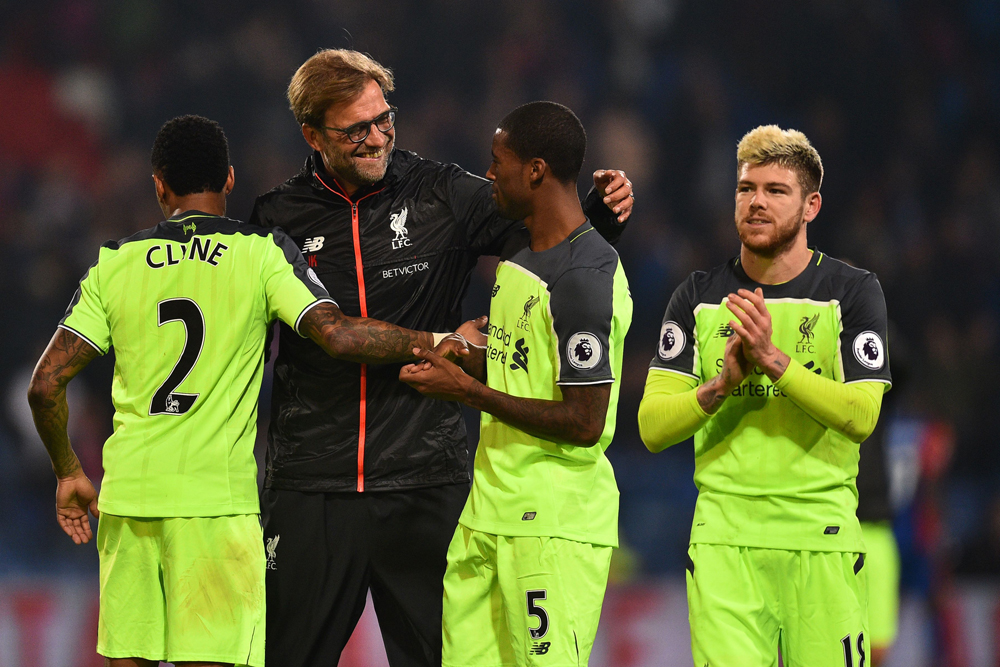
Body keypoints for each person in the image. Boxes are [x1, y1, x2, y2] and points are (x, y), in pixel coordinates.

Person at [25, 115, 464, 667]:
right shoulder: (262, 252)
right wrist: (437, 339)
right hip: (216, 506)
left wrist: (68, 471)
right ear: (229, 179)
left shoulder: (116, 262)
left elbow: (45, 385)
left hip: (130, 499)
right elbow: (338, 335)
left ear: (159, 185)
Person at [248, 49, 634, 667]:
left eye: (384, 119)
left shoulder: (442, 192)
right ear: (312, 135)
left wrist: (599, 215)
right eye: (355, 130)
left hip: (426, 480)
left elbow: (549, 237)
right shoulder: (276, 217)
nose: (378, 138)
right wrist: (438, 341)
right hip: (312, 484)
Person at [637, 125, 892, 667]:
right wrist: (720, 387)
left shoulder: (851, 292)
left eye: (776, 190)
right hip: (724, 543)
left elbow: (862, 415)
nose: (756, 202)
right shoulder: (698, 297)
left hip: (821, 536)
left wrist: (774, 360)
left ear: (810, 206)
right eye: (746, 188)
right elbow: (652, 427)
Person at [400, 101, 632, 667]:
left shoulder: (585, 277)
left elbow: (584, 421)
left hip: (551, 524)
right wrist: (470, 359)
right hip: (487, 512)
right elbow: (522, 369)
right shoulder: (519, 258)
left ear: (535, 170)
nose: (489, 173)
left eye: (497, 161)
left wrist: (467, 391)